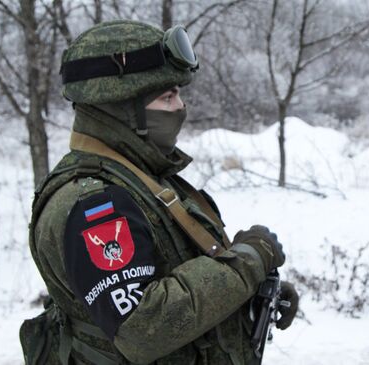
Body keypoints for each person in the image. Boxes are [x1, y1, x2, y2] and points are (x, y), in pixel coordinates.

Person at [27, 20, 298, 365]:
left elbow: (181, 277)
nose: (180, 107)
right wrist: (247, 263)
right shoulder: (94, 206)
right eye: (167, 96)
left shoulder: (145, 179)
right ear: (123, 107)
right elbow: (143, 327)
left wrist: (250, 294)